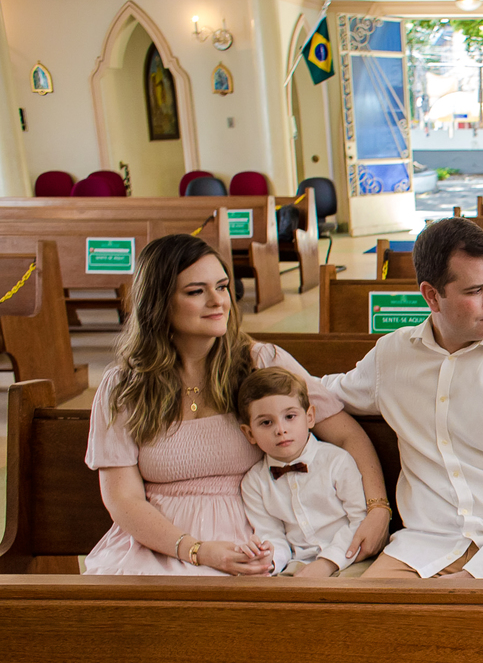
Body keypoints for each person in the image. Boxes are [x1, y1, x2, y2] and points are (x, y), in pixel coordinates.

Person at [84, 234, 389, 576]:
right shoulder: (125, 387)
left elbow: (347, 435)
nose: (218, 301)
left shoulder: (261, 362)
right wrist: (197, 550)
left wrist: (378, 508)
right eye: (196, 291)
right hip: (157, 541)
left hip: (254, 538)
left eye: (223, 286)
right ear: (159, 302)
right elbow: (123, 499)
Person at [322, 217, 483, 579]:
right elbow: (318, 394)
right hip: (422, 546)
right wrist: (260, 359)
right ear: (432, 295)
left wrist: (481, 573)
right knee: (366, 613)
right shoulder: (392, 357)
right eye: (475, 291)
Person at [238, 367, 368, 578]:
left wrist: (327, 563)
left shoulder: (337, 461)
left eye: (290, 416)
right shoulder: (254, 482)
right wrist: (269, 559)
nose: (280, 430)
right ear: (249, 433)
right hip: (295, 564)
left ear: (309, 417)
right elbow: (271, 534)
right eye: (266, 422)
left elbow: (360, 520)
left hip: (349, 558)